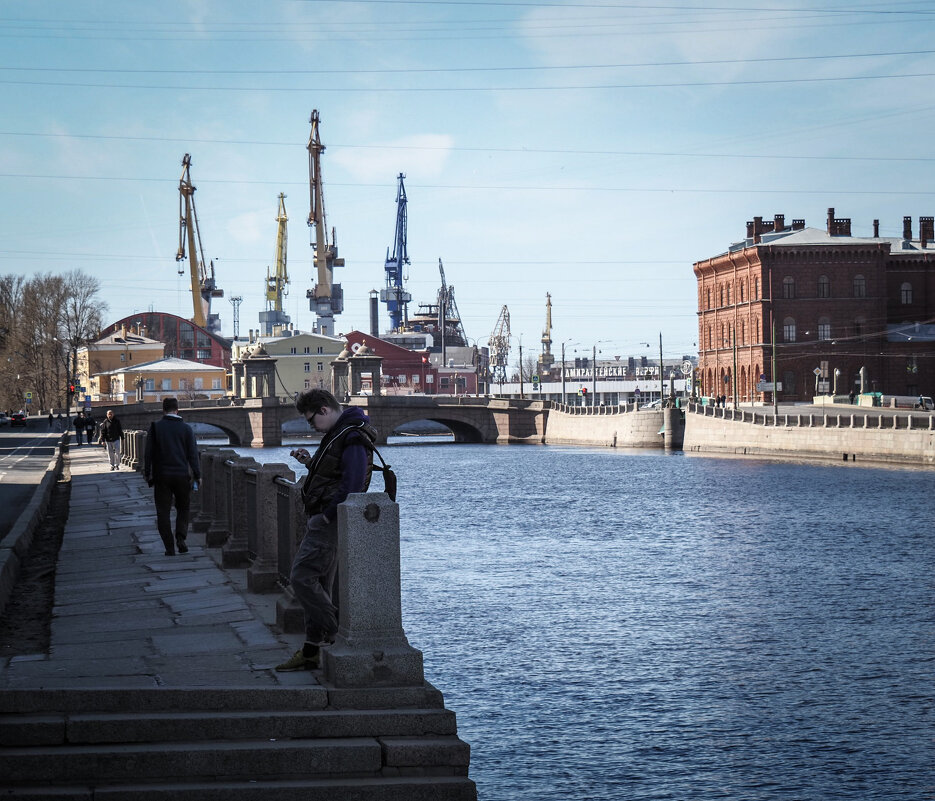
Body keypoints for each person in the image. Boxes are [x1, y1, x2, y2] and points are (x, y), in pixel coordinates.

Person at [275, 388, 377, 672]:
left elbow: (352, 485)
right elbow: (336, 473)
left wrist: (326, 517)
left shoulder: (352, 435)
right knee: (319, 584)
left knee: (301, 578)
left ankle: (340, 635)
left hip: (328, 522)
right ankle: (311, 650)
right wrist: (310, 462)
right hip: (324, 518)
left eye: (311, 420)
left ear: (323, 410)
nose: (310, 426)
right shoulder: (339, 432)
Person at [143, 397, 201, 557]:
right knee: (183, 508)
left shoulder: (155, 428)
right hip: (182, 475)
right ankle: (181, 538)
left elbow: (148, 453)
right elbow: (192, 455)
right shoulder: (186, 429)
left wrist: (147, 473)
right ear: (177, 410)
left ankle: (169, 547)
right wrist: (197, 474)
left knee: (163, 512)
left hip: (161, 477)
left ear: (163, 410)